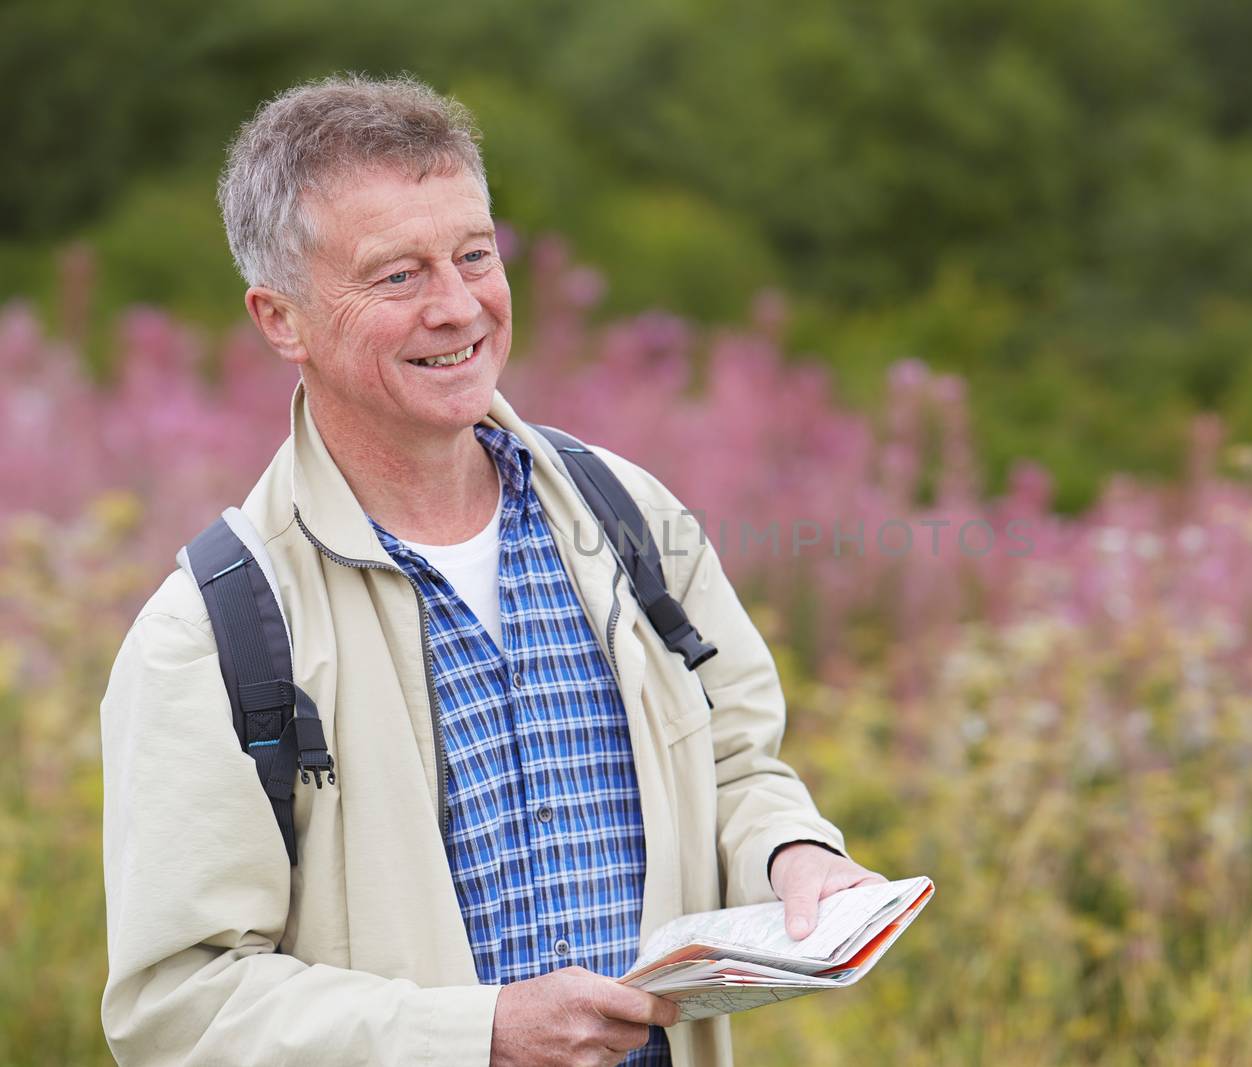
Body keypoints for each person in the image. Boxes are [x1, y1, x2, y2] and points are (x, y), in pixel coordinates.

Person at [99, 73, 882, 1067]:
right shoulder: (213, 631)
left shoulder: (631, 515)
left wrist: (792, 852)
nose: (459, 305)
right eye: (399, 276)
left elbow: (734, 764)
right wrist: (479, 1035)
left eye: (475, 255)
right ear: (280, 318)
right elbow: (178, 1008)